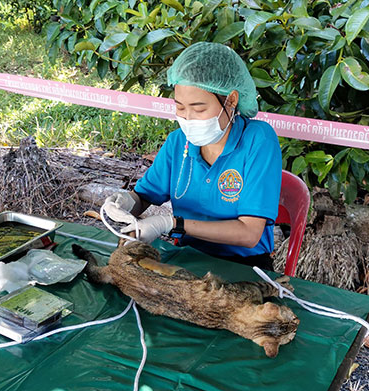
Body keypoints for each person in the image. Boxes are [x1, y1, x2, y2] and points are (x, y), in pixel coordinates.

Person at [103, 42, 282, 271]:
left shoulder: (258, 140)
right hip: (187, 257)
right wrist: (126, 203)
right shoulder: (179, 142)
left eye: (199, 109)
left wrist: (172, 224)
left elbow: (249, 233)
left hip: (244, 266)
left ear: (231, 100)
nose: (188, 118)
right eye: (180, 107)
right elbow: (144, 196)